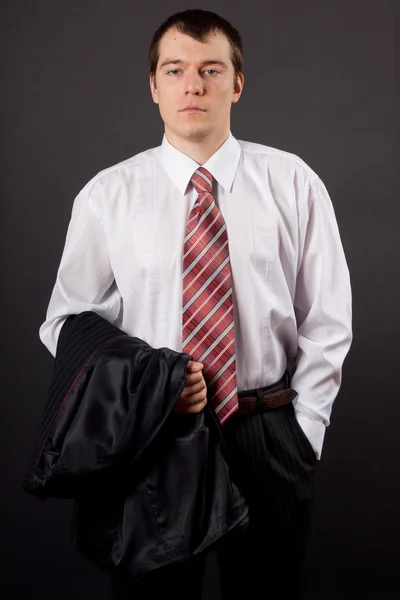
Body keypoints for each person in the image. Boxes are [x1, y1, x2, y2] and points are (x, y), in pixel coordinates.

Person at [38, 8, 352, 600]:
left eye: (211, 69)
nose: (193, 85)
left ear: (237, 83)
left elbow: (328, 318)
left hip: (266, 434)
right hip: (153, 439)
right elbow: (66, 323)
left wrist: (303, 431)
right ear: (154, 86)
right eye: (175, 69)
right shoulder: (109, 195)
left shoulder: (294, 182)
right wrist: (148, 383)